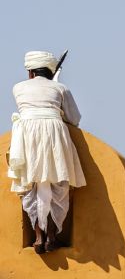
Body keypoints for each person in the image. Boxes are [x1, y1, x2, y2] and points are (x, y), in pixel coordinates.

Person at [9, 51, 86, 254]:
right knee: (57, 185)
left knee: (30, 184)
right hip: (54, 135)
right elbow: (74, 118)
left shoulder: (18, 88)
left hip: (26, 136)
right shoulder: (60, 87)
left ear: (31, 72)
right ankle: (52, 236)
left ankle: (37, 237)